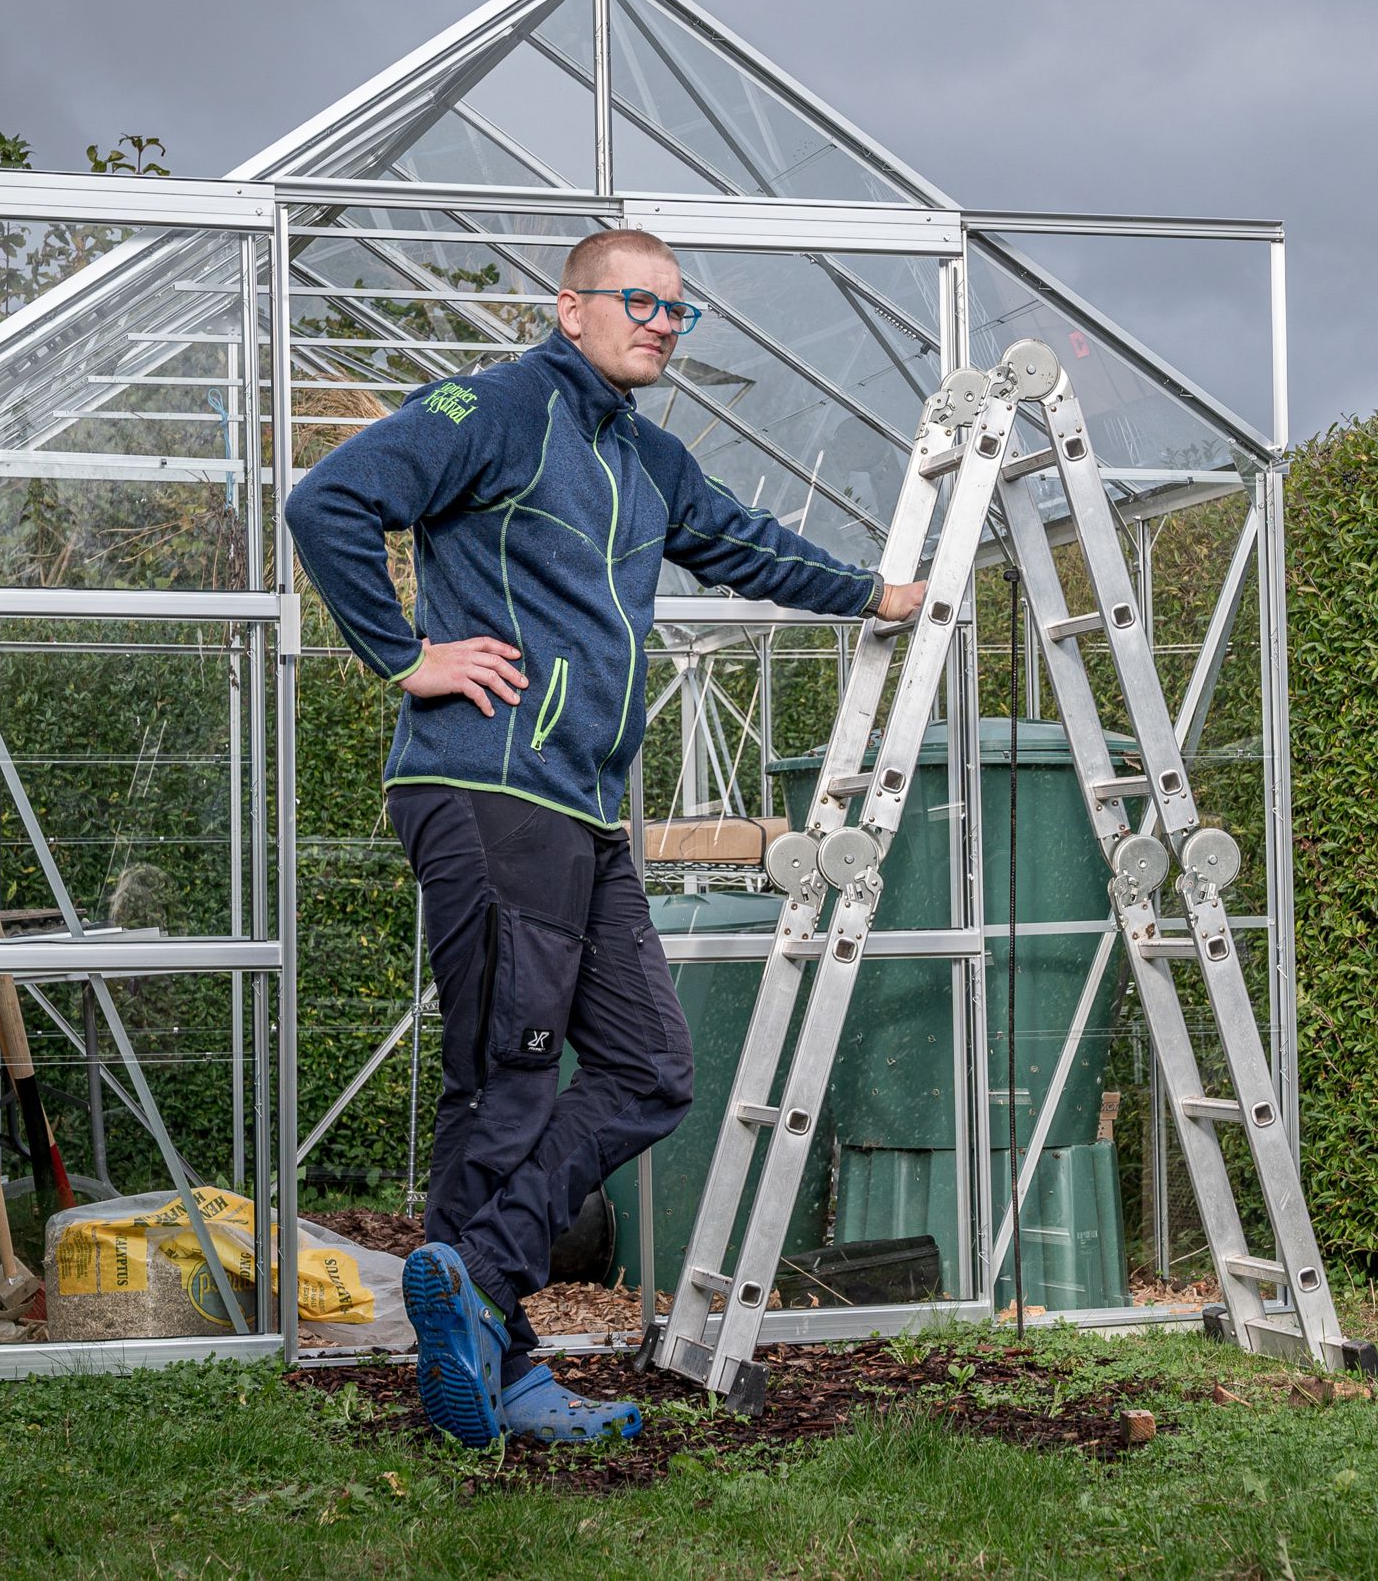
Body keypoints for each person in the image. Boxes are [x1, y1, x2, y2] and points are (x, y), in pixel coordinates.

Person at [286, 228, 922, 1446]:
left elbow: (747, 547)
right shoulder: (500, 408)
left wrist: (873, 594)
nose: (660, 323)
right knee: (510, 1082)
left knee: (647, 1070)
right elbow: (331, 500)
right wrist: (408, 656)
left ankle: (473, 1284)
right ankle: (503, 1371)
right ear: (568, 308)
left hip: (582, 810)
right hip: (489, 792)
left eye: (678, 311)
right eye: (637, 300)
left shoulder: (647, 459)